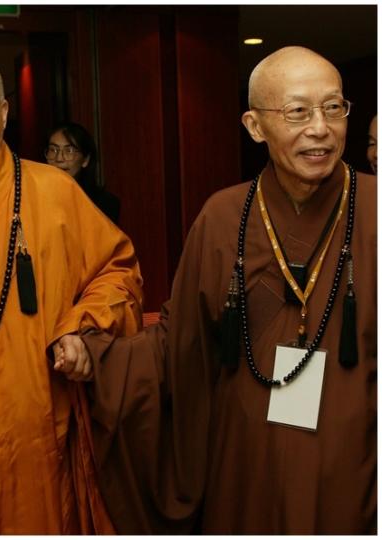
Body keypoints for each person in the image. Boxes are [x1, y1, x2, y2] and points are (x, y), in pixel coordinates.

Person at [66, 46, 376, 534]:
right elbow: (180, 343)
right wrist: (97, 355)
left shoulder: (375, 209)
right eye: (298, 111)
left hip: (356, 461)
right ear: (255, 126)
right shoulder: (224, 216)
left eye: (333, 108)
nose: (320, 127)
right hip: (246, 459)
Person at [0, 45, 144, 534]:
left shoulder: (53, 192)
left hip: (29, 433)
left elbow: (118, 272)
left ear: (4, 110)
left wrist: (82, 328)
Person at [45, 123, 121, 223]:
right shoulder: (33, 197)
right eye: (53, 150)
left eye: (69, 151)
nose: (59, 158)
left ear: (85, 160)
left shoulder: (104, 204)